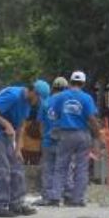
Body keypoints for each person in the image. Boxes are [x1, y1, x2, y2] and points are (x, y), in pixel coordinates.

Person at [0, 80, 49, 218]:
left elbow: (21, 125)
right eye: (39, 99)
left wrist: (18, 149)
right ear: (33, 92)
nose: (38, 103)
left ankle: (16, 203)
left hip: (5, 133)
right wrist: (6, 124)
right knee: (1, 169)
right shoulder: (14, 96)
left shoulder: (27, 103)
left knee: (16, 167)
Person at [47, 71, 102, 207]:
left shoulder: (61, 96)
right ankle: (77, 199)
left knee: (61, 166)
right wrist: (97, 135)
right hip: (82, 134)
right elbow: (92, 118)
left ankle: (55, 197)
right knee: (81, 167)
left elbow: (54, 114)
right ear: (83, 83)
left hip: (65, 134)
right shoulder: (86, 98)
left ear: (70, 82)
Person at [34, 76, 70, 206]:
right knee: (65, 168)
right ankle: (67, 195)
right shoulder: (67, 103)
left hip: (48, 141)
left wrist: (44, 137)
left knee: (48, 169)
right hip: (64, 141)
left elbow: (41, 124)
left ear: (53, 88)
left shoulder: (45, 103)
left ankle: (48, 197)